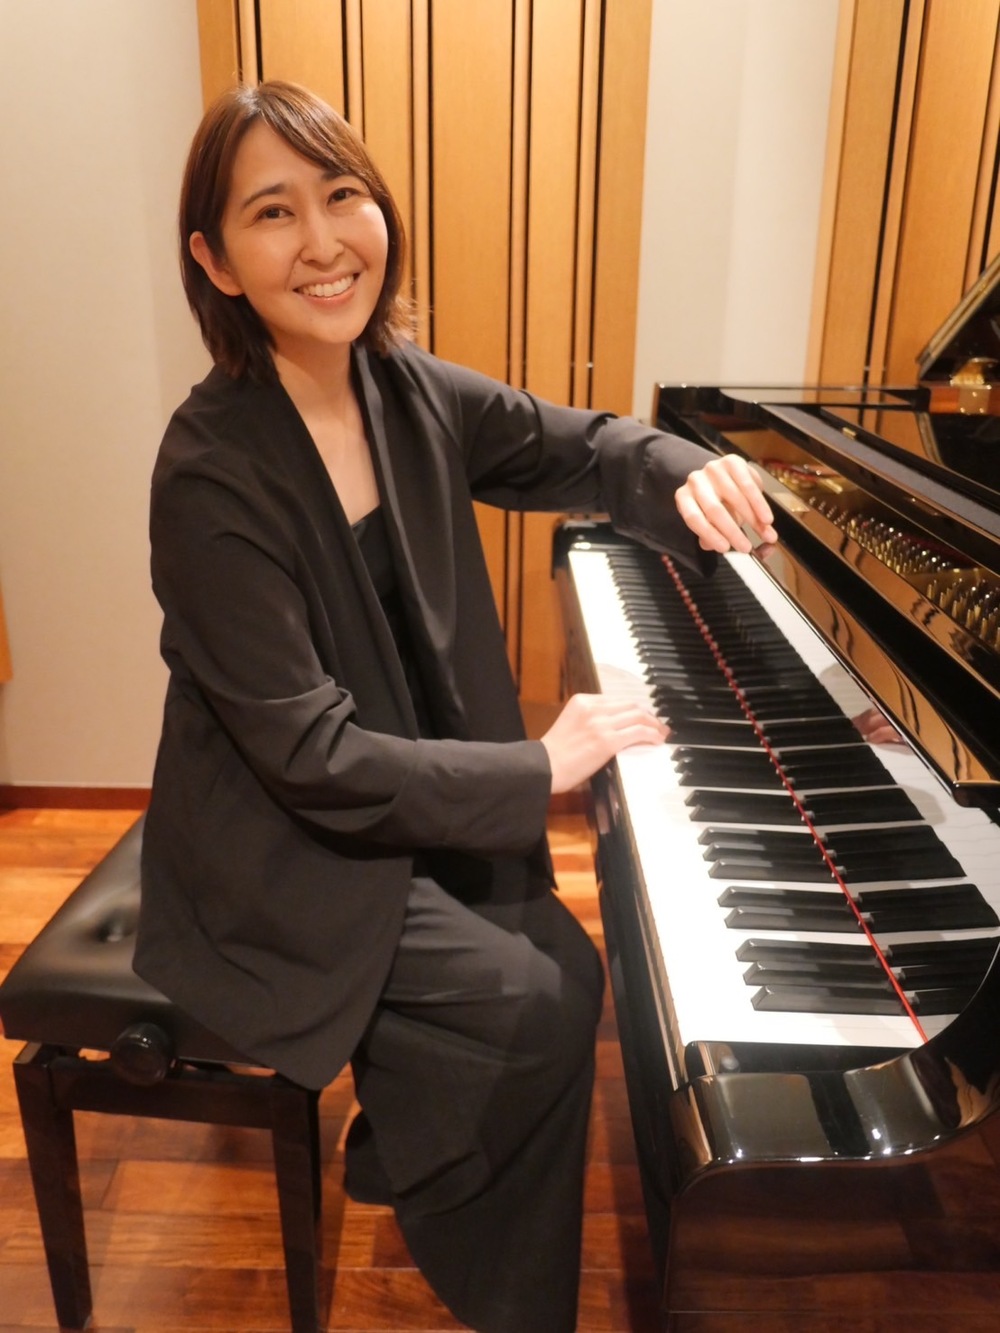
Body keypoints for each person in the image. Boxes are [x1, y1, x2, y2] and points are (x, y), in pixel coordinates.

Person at [134, 79, 777, 1332]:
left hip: (402, 774)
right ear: (213, 261)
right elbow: (305, 755)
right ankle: (503, 1288)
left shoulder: (402, 389)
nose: (323, 241)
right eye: (272, 212)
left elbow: (575, 445)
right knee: (537, 1000)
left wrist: (685, 467)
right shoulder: (207, 472)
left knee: (562, 965)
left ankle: (409, 1142)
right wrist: (538, 766)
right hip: (273, 833)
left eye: (341, 195)